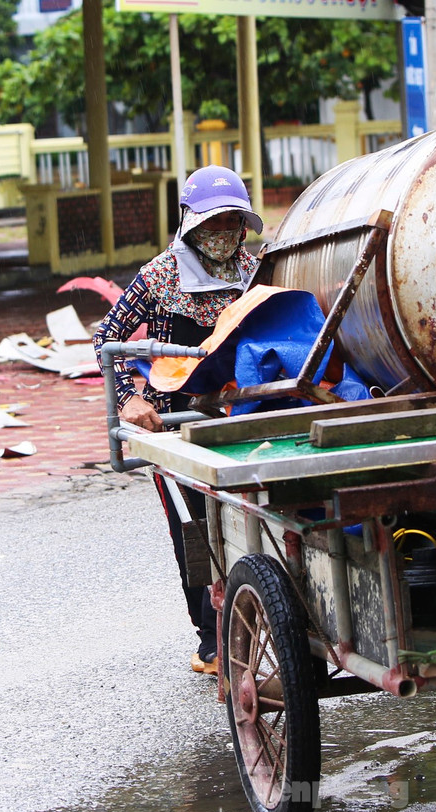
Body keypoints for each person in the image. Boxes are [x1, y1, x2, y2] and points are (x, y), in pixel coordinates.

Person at [93, 165, 264, 677]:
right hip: (176, 425)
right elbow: (107, 337)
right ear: (190, 223)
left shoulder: (256, 270)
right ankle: (211, 640)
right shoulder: (160, 276)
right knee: (194, 531)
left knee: (252, 522)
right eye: (212, 224)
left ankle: (265, 621)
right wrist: (127, 399)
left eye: (233, 223)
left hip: (241, 418)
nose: (223, 235)